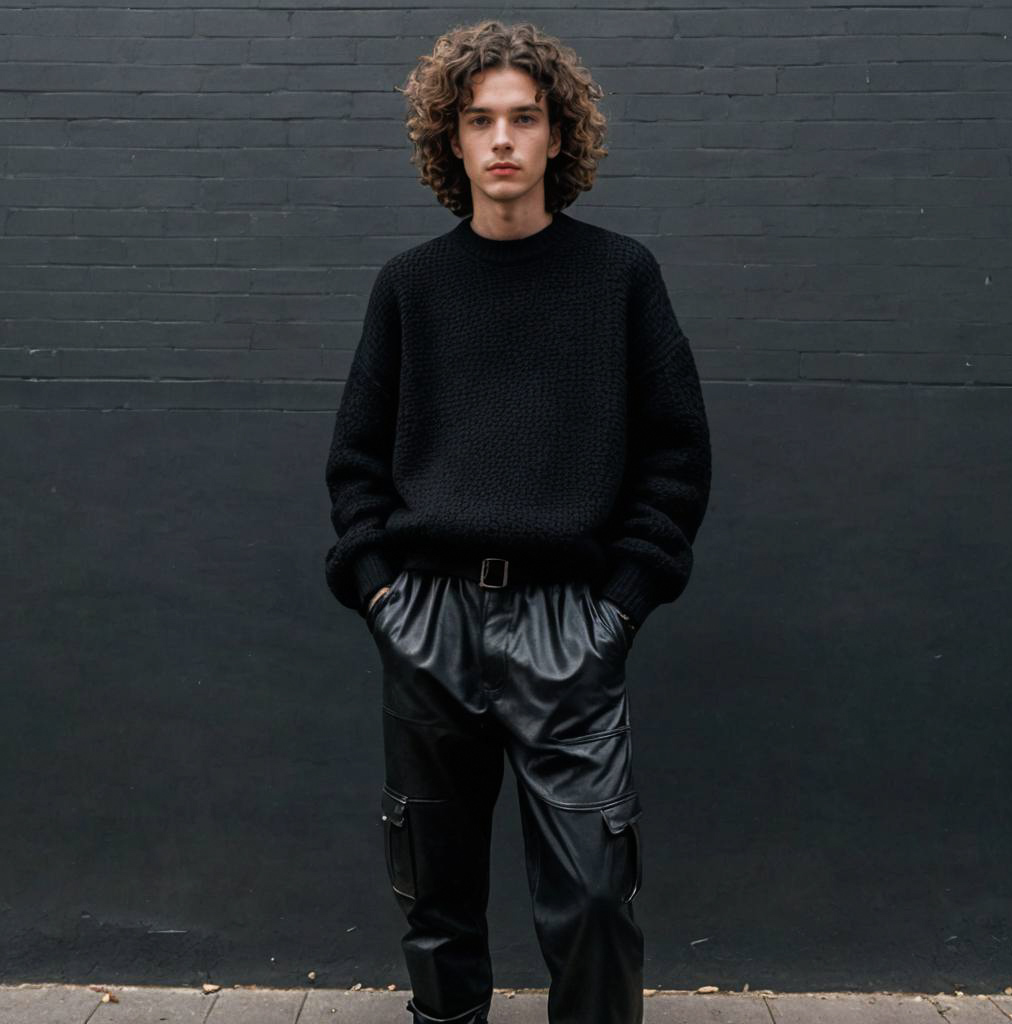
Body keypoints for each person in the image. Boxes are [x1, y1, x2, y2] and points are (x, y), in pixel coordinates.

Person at [324, 19, 712, 1024]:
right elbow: (355, 459)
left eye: (523, 118)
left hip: (567, 621)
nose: (502, 139)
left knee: (590, 894)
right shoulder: (410, 286)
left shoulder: (618, 277)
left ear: (556, 136)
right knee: (435, 896)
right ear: (450, 142)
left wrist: (620, 606)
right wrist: (381, 597)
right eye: (480, 119)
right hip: (430, 619)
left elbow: (676, 454)